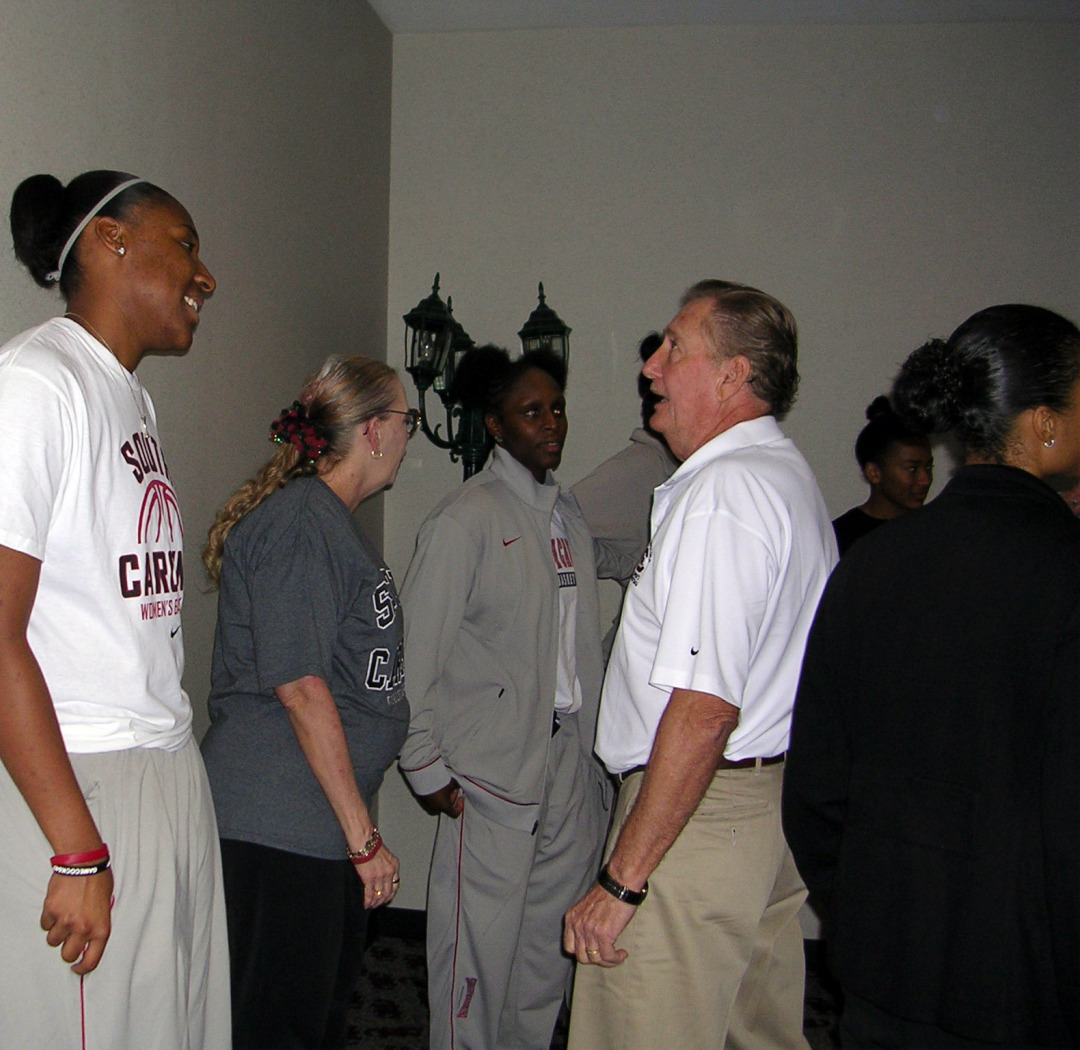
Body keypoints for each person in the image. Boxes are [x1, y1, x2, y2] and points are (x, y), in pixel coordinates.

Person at [0, 170, 227, 1049]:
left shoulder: (127, 396)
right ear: (109, 240)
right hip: (69, 773)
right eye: (184, 243)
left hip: (154, 758)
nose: (205, 275)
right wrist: (76, 847)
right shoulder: (34, 384)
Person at [784, 305, 1080, 1050]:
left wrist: (865, 912)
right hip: (1029, 990)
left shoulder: (873, 567)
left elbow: (816, 790)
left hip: (885, 970)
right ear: (1045, 423)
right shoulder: (1066, 570)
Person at [563, 280, 835, 1050]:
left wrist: (622, 882)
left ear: (731, 376)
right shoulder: (785, 475)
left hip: (698, 811)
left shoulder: (726, 493)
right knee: (757, 1032)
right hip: (760, 804)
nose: (650, 365)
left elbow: (706, 707)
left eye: (674, 348)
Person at [400, 345, 622, 1050]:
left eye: (556, 407)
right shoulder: (464, 520)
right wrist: (425, 764)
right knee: (476, 964)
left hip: (565, 768)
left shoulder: (567, 517)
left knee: (542, 964)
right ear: (495, 426)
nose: (552, 422)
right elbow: (416, 656)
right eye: (532, 411)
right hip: (489, 779)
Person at [200, 355, 414, 1050]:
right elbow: (300, 687)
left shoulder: (324, 522)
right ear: (376, 431)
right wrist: (365, 838)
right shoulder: (301, 523)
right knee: (276, 1030)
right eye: (407, 421)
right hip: (276, 830)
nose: (409, 437)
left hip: (305, 828)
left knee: (311, 1024)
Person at [572, 332, 680, 658]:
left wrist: (630, 565)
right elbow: (551, 529)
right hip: (637, 671)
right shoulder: (642, 468)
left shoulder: (698, 476)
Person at [832, 392, 933, 556]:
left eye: (929, 467)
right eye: (912, 469)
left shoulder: (936, 531)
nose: (925, 480)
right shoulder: (842, 538)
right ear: (874, 473)